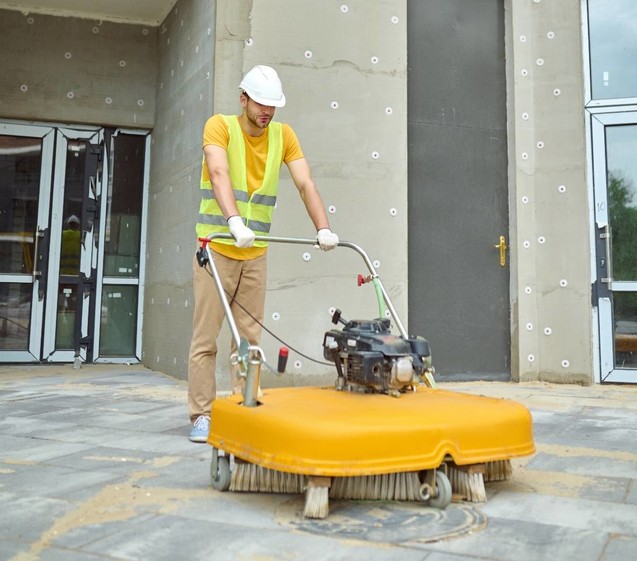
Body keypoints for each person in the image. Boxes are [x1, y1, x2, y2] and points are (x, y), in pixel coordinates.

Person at [187, 65, 339, 442]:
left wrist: (322, 227)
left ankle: (245, 410)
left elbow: (306, 183)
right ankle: (201, 416)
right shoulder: (219, 127)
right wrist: (234, 221)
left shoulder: (283, 136)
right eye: (261, 103)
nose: (267, 111)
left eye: (273, 104)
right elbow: (219, 173)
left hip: (255, 254)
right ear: (244, 99)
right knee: (206, 339)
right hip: (217, 248)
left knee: (249, 340)